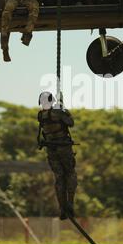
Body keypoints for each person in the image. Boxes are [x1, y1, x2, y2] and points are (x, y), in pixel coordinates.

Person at [37, 92, 78, 220]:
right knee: (70, 174)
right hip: (63, 148)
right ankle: (70, 204)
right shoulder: (58, 112)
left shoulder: (41, 115)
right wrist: (63, 108)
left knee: (59, 178)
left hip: (51, 150)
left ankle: (62, 208)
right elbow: (70, 123)